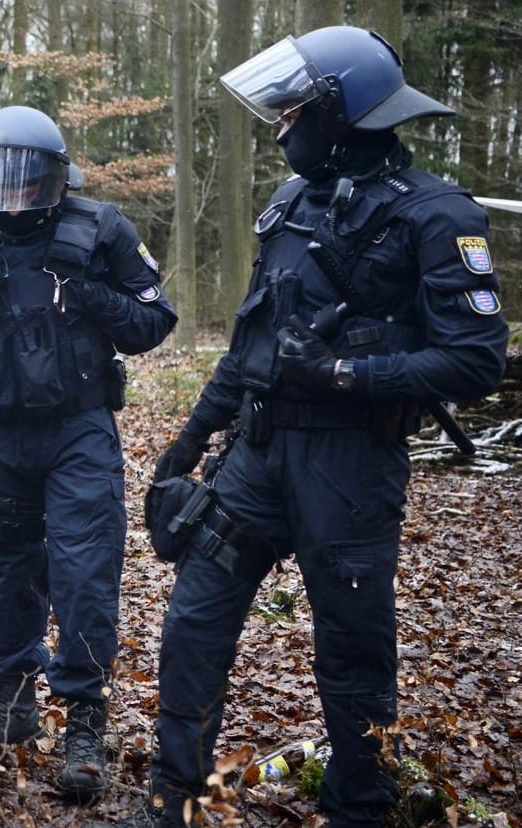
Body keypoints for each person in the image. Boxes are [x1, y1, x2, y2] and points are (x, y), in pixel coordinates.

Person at [98, 27, 509, 828]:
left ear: (342, 111)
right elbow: (254, 342)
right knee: (193, 622)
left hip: (352, 467)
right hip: (257, 454)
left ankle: (360, 802)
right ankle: (171, 799)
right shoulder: (288, 205)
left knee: (353, 649)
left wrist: (350, 374)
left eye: (294, 107)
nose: (281, 123)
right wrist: (189, 440)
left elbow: (474, 361)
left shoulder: (438, 215)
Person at [0, 105, 176, 800]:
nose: (9, 192)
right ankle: (14, 707)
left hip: (79, 428)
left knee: (85, 571)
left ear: (53, 177)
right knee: (9, 568)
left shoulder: (101, 228)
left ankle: (84, 722)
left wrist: (89, 296)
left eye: (23, 178)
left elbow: (155, 318)